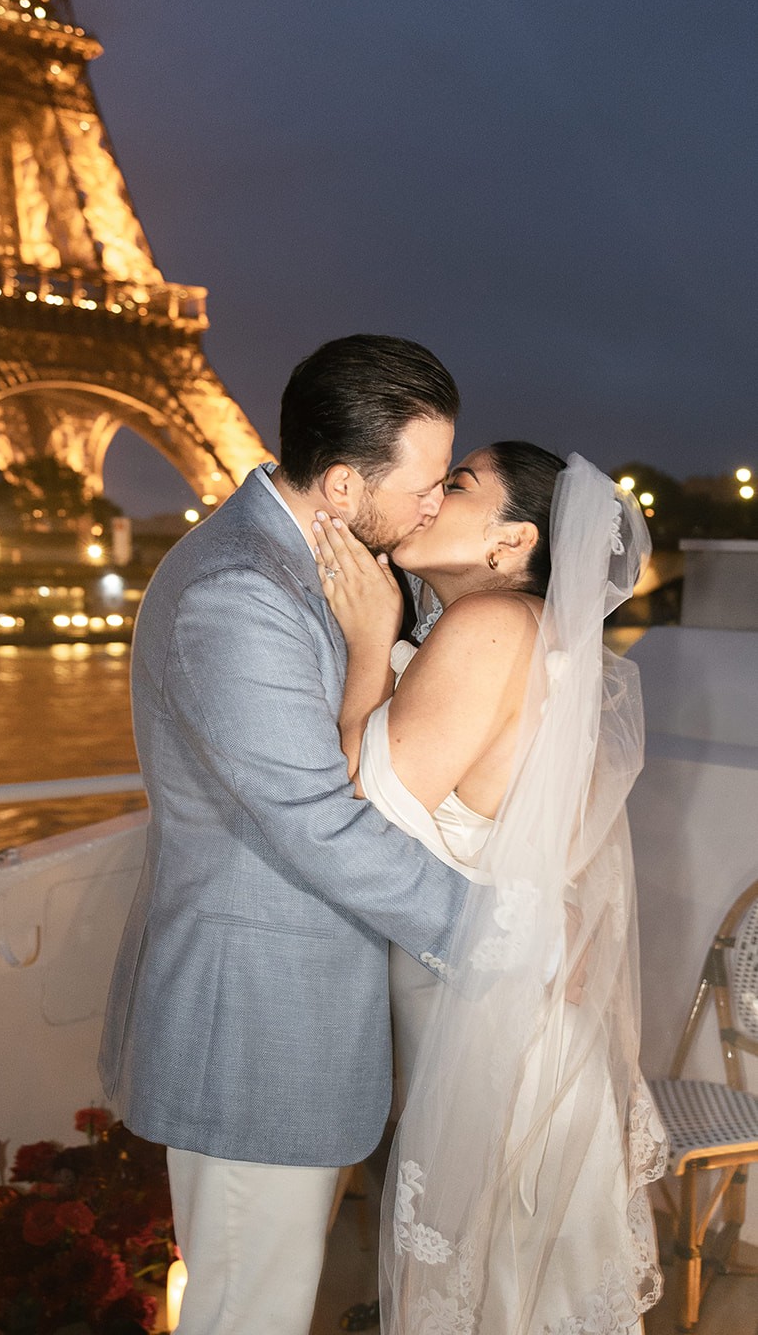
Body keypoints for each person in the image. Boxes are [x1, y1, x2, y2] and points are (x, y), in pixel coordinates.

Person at [99, 334, 475, 1335]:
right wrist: (491, 930)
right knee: (246, 1312)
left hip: (287, 1019)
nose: (435, 503)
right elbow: (315, 823)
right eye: (427, 483)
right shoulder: (240, 591)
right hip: (251, 1028)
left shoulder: (315, 565)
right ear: (343, 484)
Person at [313, 443, 667, 1334]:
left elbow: (365, 812)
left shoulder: (489, 626)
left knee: (491, 1290)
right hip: (508, 1013)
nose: (429, 496)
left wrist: (365, 647)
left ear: (512, 542)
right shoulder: (529, 633)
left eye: (457, 485)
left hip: (486, 1022)